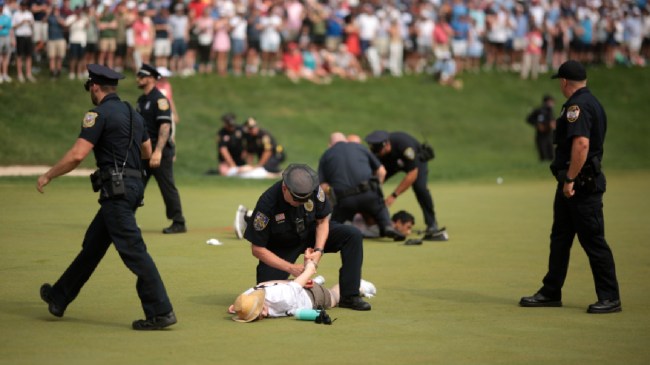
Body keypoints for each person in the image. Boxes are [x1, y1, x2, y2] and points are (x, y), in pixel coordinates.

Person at [36, 64, 176, 330]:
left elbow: (78, 155)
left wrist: (49, 175)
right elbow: (146, 151)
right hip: (133, 188)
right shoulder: (134, 114)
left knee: (135, 252)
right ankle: (59, 296)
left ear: (95, 87)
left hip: (117, 191)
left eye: (90, 87)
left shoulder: (97, 114)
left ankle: (161, 311)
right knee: (93, 246)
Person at [519, 60, 621, 314]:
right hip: (575, 182)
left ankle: (610, 297)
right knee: (560, 239)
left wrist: (570, 180)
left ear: (564, 82)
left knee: (593, 241)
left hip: (580, 185)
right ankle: (551, 291)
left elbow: (581, 145)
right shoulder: (593, 102)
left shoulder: (578, 106)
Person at [243, 163, 371, 311]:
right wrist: (291, 268)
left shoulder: (314, 189)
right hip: (282, 245)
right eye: (297, 200)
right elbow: (257, 249)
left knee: (352, 235)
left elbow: (322, 220)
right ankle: (303, 285)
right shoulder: (267, 204)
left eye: (305, 199)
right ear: (285, 189)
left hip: (309, 233)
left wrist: (319, 250)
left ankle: (349, 296)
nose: (301, 203)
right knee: (267, 292)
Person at [318, 132, 404, 241]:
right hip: (368, 195)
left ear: (330, 145)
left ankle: (335, 230)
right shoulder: (360, 147)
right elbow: (382, 171)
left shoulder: (326, 155)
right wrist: (376, 190)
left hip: (345, 200)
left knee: (335, 222)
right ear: (346, 140)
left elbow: (323, 186)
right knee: (380, 208)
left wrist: (332, 200)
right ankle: (387, 226)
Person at [364, 130, 448, 241]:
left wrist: (393, 196)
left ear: (387, 145)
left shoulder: (404, 146)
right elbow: (376, 173)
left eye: (379, 151)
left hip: (415, 163)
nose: (377, 154)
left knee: (420, 188)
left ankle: (432, 223)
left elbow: (412, 173)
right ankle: (369, 219)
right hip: (391, 163)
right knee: (371, 184)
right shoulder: (377, 151)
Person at [136, 63, 187, 234]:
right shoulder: (142, 100)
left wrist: (157, 151)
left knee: (167, 186)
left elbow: (165, 127)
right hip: (144, 152)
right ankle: (125, 219)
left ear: (151, 78)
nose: (138, 79)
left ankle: (178, 222)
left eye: (141, 76)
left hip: (160, 151)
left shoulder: (160, 100)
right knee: (135, 185)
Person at [526, 94, 556, 161]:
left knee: (551, 154)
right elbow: (529, 119)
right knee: (543, 153)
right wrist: (537, 124)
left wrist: (553, 124)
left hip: (549, 134)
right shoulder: (539, 110)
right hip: (541, 135)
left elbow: (552, 121)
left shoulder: (550, 111)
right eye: (550, 101)